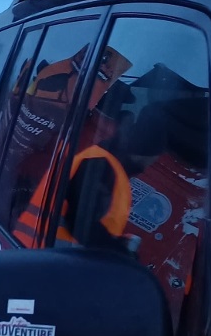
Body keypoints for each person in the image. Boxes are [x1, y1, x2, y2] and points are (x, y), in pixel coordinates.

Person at [12, 105, 168, 250]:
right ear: (148, 153)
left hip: (40, 257)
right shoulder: (101, 165)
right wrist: (119, 250)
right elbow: (82, 224)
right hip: (39, 260)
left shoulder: (108, 165)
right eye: (157, 156)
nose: (153, 162)